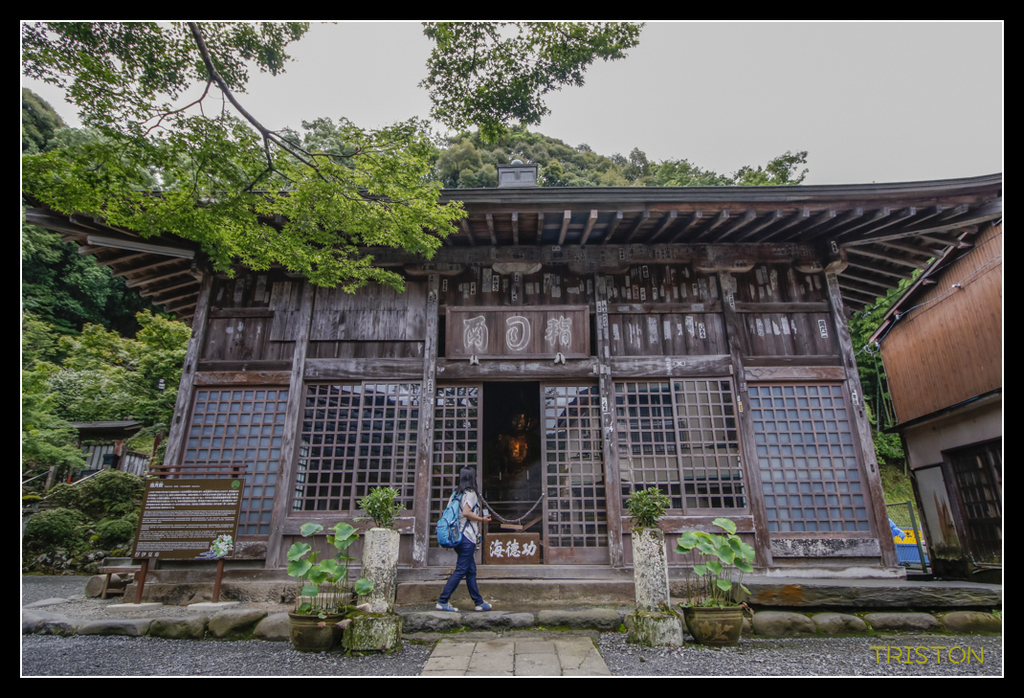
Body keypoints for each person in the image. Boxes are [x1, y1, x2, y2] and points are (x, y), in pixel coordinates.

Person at [436, 467, 493, 612]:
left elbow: (448, 517)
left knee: (471, 570)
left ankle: (478, 602)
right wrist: (481, 519)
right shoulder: (471, 494)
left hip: (457, 537)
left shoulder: (455, 495)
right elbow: (467, 512)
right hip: (467, 537)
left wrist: (447, 539)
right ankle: (443, 600)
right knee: (461, 570)